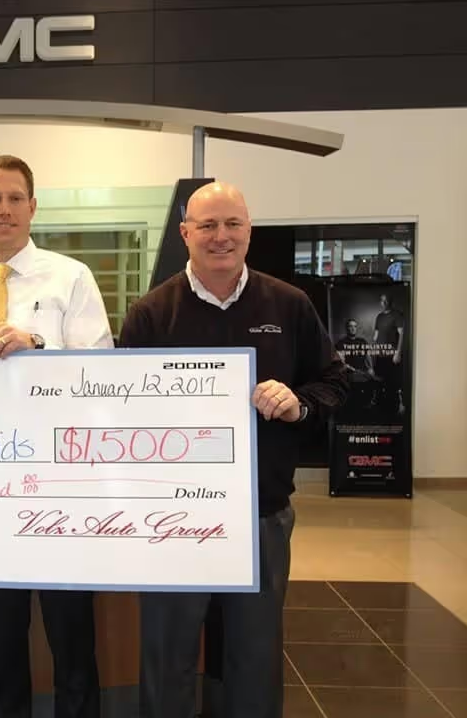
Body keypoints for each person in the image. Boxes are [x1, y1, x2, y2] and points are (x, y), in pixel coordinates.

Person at [119, 182, 348, 718]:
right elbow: (121, 411)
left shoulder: (289, 305)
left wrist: (298, 404)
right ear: (185, 234)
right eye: (207, 226)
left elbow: (334, 382)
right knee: (167, 655)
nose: (221, 237)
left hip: (260, 515)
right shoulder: (151, 314)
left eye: (233, 224)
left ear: (249, 230)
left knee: (256, 655)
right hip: (171, 518)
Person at [0, 155, 111, 717]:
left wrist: (39, 346)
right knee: (1, 635)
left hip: (60, 484)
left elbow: (101, 371)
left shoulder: (71, 277)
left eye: (15, 198)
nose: (4, 209)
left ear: (33, 207)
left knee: (71, 634)